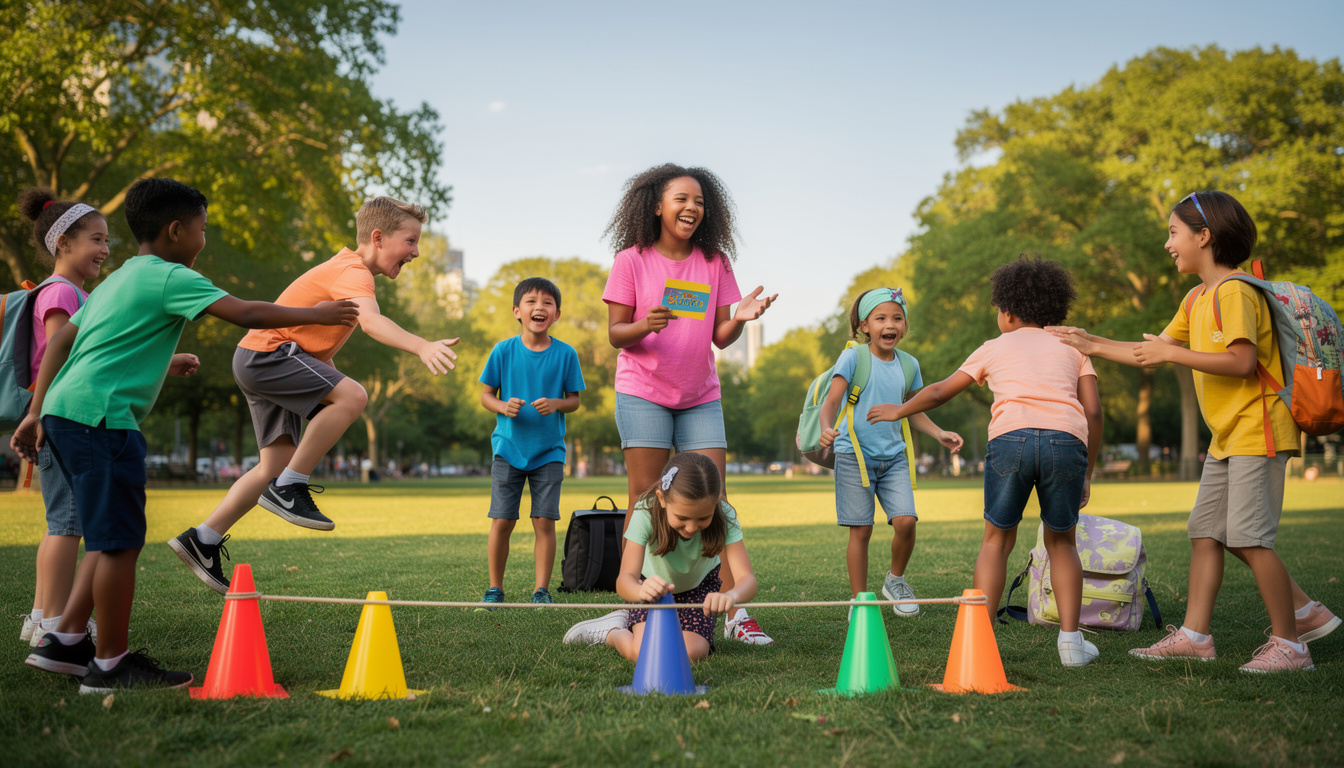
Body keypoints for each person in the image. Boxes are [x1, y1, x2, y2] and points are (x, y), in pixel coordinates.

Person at [14, 177, 358, 692]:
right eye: (202, 229)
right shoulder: (170, 275)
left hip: (69, 413)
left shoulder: (120, 278)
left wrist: (36, 411)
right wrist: (318, 314)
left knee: (107, 537)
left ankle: (65, 643)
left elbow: (63, 340)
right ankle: (110, 666)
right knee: (121, 543)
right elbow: (246, 313)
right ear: (176, 230)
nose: (204, 239)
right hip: (102, 419)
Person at [1052, 191, 1338, 672]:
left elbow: (1242, 362)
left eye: (1173, 233)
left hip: (1258, 428)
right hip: (1226, 436)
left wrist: (1173, 355)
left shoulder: (1235, 292)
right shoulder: (1196, 298)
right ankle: (1195, 636)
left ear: (1204, 236)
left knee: (1249, 538)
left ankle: (1292, 645)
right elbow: (1150, 350)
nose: (1168, 244)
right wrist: (1089, 343)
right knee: (1205, 533)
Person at [168, 196, 458, 594]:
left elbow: (315, 352)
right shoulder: (355, 271)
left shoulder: (345, 269)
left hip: (259, 358)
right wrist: (421, 345)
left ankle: (203, 539)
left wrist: (334, 386)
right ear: (377, 237)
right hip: (269, 356)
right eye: (410, 241)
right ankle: (291, 487)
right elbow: (372, 323)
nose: (416, 251)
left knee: (272, 466)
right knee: (354, 397)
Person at [877, 257, 1104, 667]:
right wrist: (1088, 471)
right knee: (1062, 542)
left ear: (1010, 312)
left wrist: (900, 409)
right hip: (1065, 442)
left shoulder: (994, 347)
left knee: (996, 540)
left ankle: (980, 640)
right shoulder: (1073, 346)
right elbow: (1094, 410)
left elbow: (942, 390)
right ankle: (1071, 644)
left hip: (1010, 440)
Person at [601, 163, 776, 645]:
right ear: (657, 205)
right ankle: (637, 603)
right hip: (643, 389)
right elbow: (617, 333)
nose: (691, 208)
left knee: (714, 498)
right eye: (681, 199)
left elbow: (721, 337)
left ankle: (731, 611)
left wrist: (740, 317)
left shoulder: (713, 261)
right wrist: (645, 324)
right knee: (645, 499)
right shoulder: (631, 260)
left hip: (700, 393)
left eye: (699, 201)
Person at [817, 288, 963, 618]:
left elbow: (914, 408)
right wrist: (827, 427)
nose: (890, 324)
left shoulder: (909, 364)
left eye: (897, 318)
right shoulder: (854, 357)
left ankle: (895, 580)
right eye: (881, 318)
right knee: (862, 529)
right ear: (865, 325)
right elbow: (831, 402)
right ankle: (861, 600)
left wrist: (939, 432)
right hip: (853, 454)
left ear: (905, 325)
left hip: (894, 456)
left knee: (907, 522)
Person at [561, 452, 759, 661]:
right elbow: (624, 581)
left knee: (692, 653)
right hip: (649, 590)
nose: (692, 527)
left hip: (699, 589)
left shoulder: (725, 514)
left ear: (716, 504)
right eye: (682, 517)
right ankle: (612, 632)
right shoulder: (645, 513)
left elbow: (748, 580)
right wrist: (640, 591)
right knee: (644, 653)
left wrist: (730, 596)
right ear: (662, 499)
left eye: (703, 518)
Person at [16, 188, 106, 649]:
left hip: (58, 415)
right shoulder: (61, 291)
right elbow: (60, 350)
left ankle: (40, 618)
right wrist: (39, 415)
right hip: (62, 417)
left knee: (62, 522)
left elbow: (88, 350)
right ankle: (56, 624)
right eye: (95, 238)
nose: (105, 249)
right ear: (62, 244)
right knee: (67, 524)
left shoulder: (72, 292)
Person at [477, 277, 585, 608]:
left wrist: (556, 403)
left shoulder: (566, 354)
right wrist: (501, 406)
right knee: (503, 520)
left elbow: (574, 400)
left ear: (557, 314)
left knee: (544, 521)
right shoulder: (503, 351)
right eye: (531, 301)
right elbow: (485, 395)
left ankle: (541, 590)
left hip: (549, 452)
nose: (539, 307)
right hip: (508, 450)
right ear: (517, 311)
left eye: (547, 303)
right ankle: (495, 588)